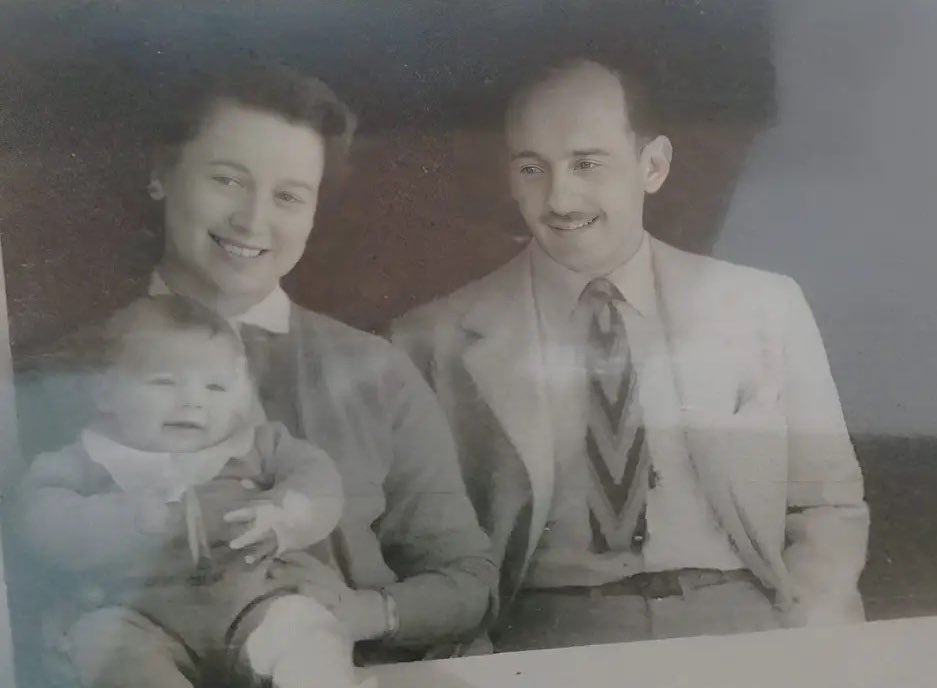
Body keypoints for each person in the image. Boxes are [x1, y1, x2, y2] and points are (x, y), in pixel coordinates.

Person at [13, 62, 495, 666]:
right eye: (228, 180)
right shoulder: (51, 382)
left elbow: (469, 581)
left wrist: (362, 615)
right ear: (162, 173)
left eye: (289, 196)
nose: (253, 219)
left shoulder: (377, 373)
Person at [391, 58, 869, 651]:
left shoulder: (764, 306)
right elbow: (426, 546)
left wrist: (806, 637)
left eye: (587, 164)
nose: (560, 197)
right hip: (545, 637)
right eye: (532, 168)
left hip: (742, 622)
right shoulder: (432, 339)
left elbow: (829, 504)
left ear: (653, 166)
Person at [15, 294, 372, 687]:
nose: (192, 402)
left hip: (253, 599)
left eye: (216, 387)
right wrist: (130, 518)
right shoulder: (85, 460)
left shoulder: (260, 445)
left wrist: (286, 513)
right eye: (164, 382)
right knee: (104, 648)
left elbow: (318, 478)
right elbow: (41, 520)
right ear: (106, 391)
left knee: (304, 629)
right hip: (133, 614)